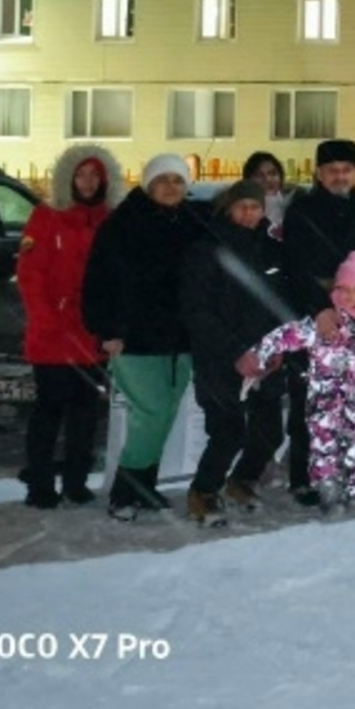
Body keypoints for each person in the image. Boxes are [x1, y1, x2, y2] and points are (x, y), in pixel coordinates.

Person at [83, 153, 208, 520]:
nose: (170, 187)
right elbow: (97, 283)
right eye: (163, 179)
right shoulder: (122, 225)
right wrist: (106, 330)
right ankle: (124, 491)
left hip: (180, 339)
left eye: (178, 180)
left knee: (166, 413)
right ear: (148, 183)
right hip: (133, 339)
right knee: (150, 414)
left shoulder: (193, 223)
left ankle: (145, 486)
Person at [279, 139, 355, 505]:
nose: (339, 176)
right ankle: (306, 477)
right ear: (318, 173)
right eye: (332, 170)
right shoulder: (301, 212)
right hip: (320, 320)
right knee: (313, 403)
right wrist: (320, 309)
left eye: (346, 169)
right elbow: (294, 268)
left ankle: (352, 474)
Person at [241, 251, 355, 515]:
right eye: (342, 288)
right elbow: (286, 335)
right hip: (325, 401)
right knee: (325, 447)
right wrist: (259, 353)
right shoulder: (323, 323)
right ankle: (328, 488)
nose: (348, 295)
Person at [17, 144, 124, 508]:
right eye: (81, 174)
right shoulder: (46, 217)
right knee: (48, 413)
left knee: (85, 414)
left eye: (95, 175)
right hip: (52, 337)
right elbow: (30, 274)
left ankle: (76, 481)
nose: (88, 181)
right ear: (69, 177)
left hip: (92, 336)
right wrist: (46, 321)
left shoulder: (111, 220)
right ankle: (40, 484)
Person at [180, 180, 291, 526]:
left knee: (270, 432)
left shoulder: (270, 249)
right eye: (242, 206)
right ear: (228, 207)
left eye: (254, 206)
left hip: (264, 355)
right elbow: (197, 310)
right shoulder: (207, 248)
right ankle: (203, 492)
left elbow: (278, 304)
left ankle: (241, 482)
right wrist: (236, 352)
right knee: (228, 431)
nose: (248, 213)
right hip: (220, 357)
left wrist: (277, 347)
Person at [241, 151, 294, 231]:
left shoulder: (293, 202)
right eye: (259, 175)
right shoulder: (241, 209)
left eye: (273, 173)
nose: (268, 179)